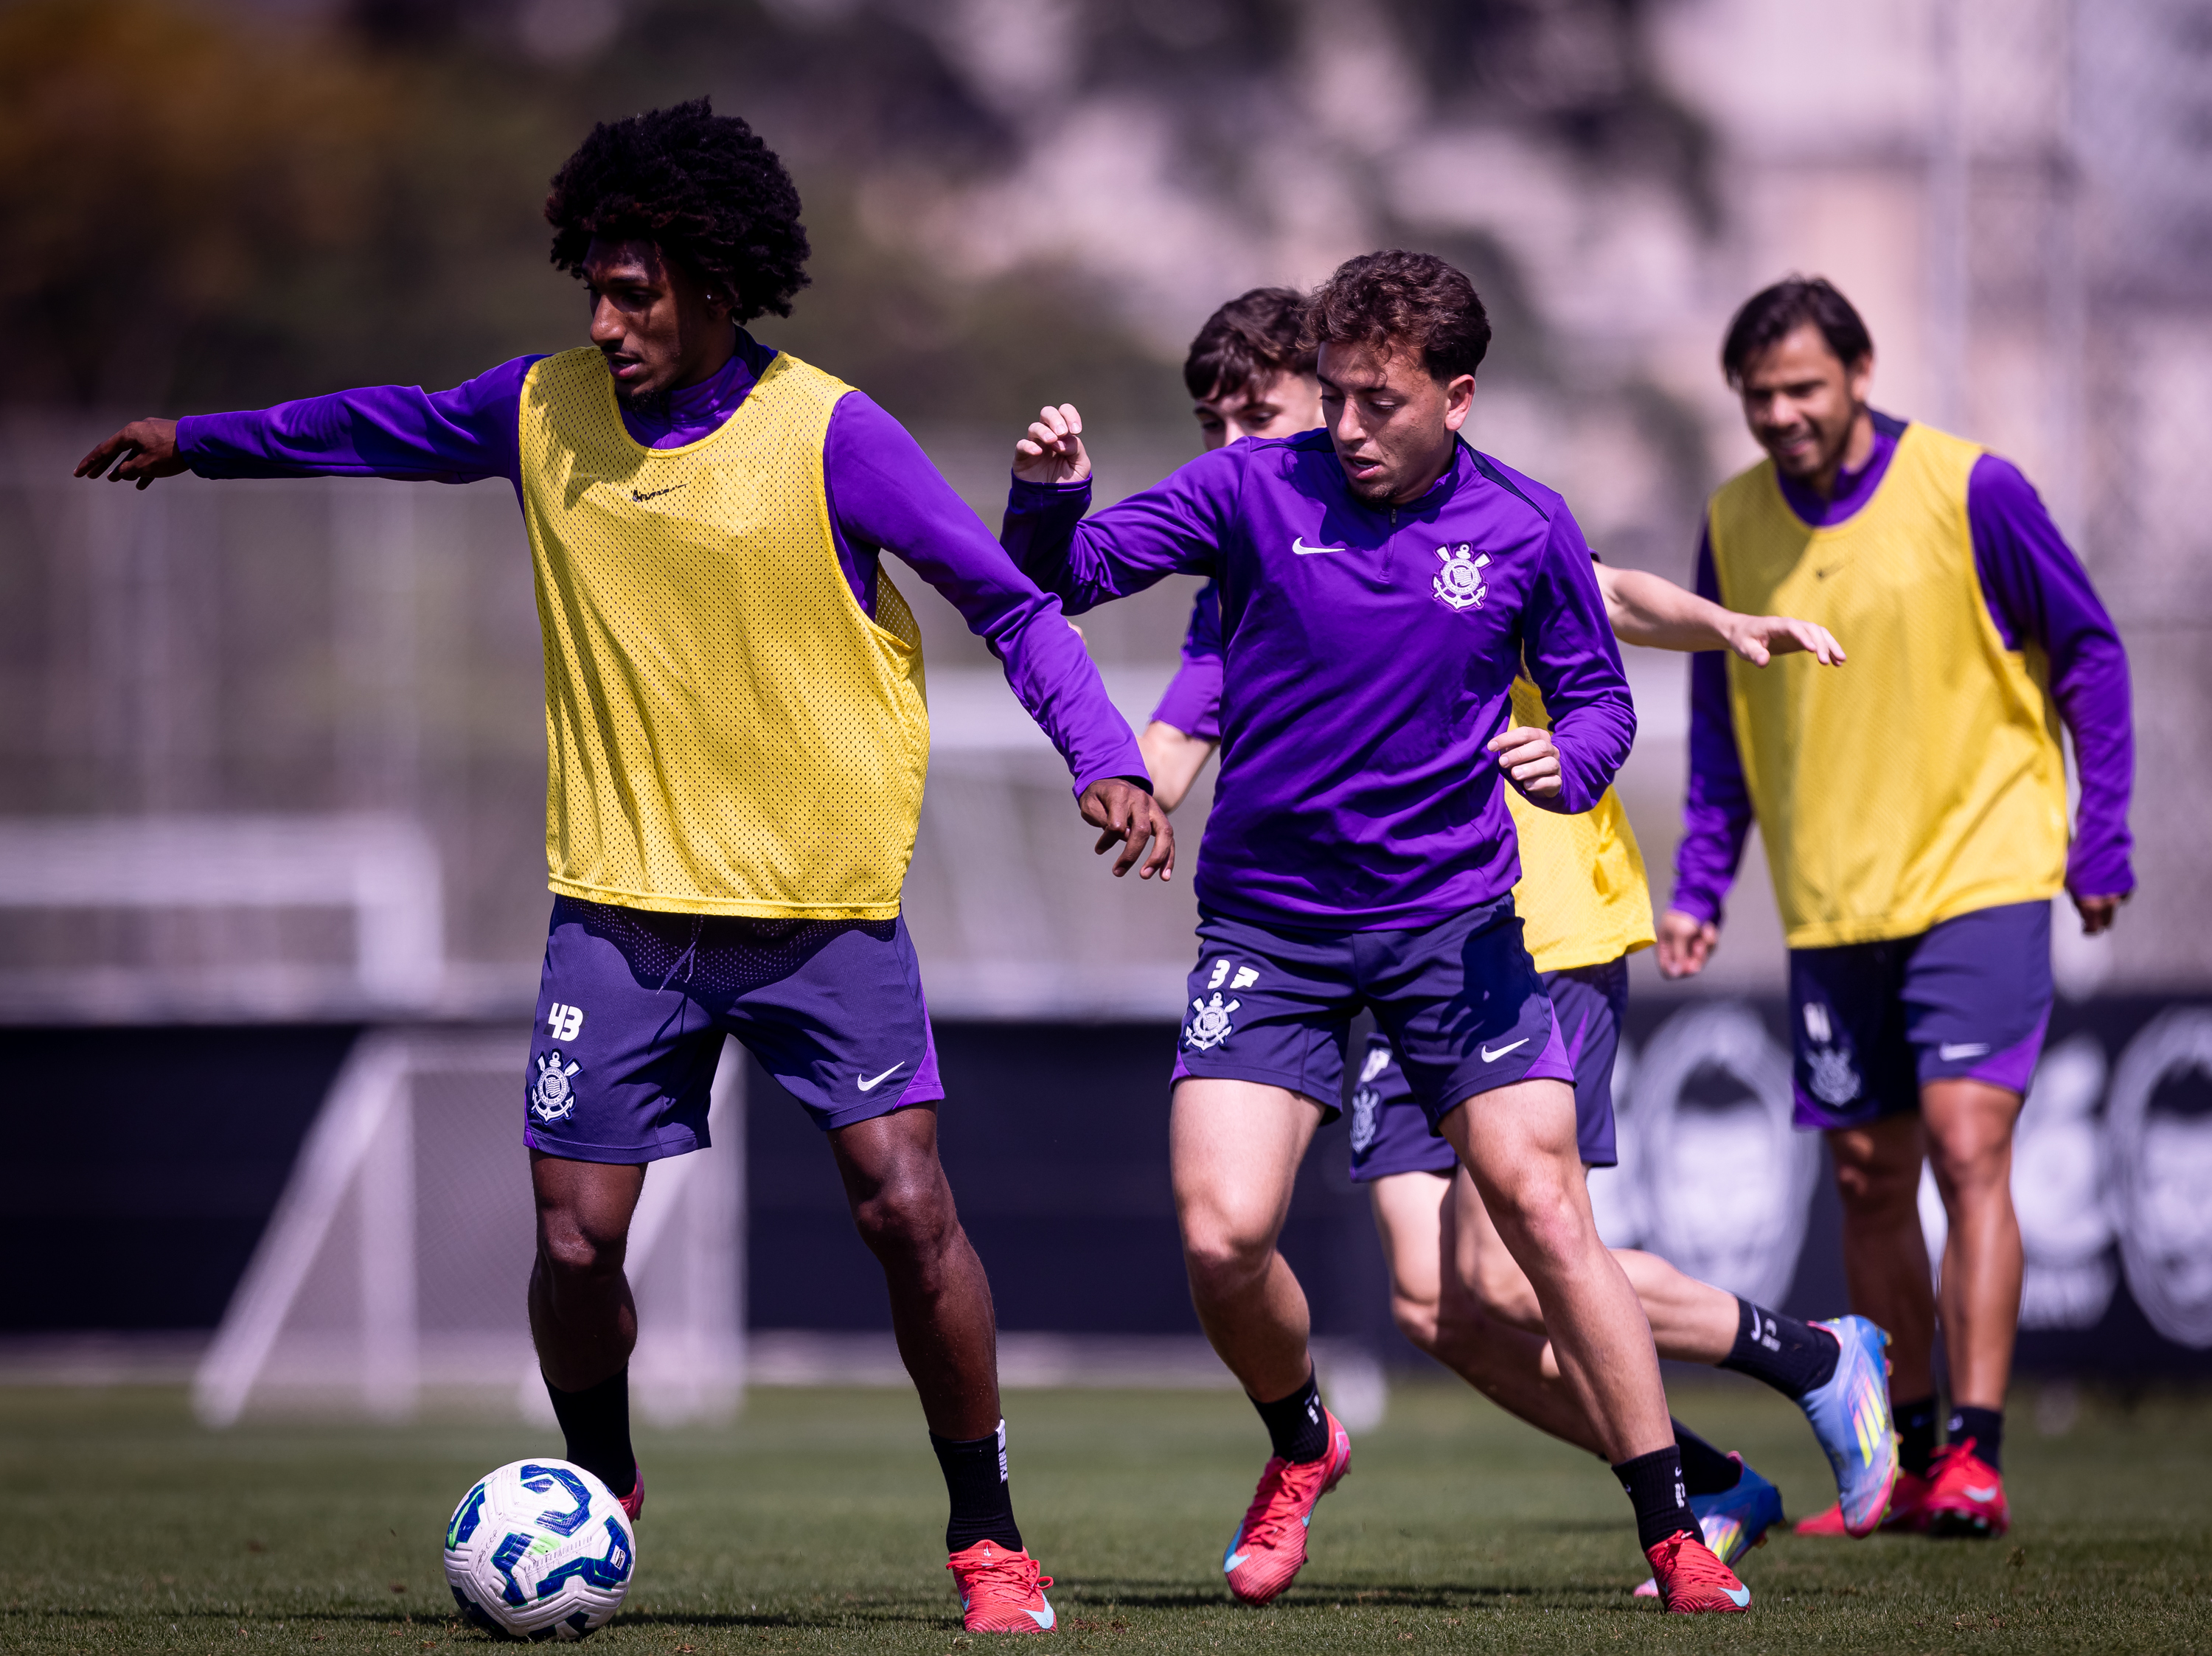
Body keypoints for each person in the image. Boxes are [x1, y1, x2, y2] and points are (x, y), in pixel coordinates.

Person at [74, 98, 1175, 1635]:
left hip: (818, 916)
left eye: (636, 289)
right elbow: (381, 423)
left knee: (905, 1211)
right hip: (619, 910)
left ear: (720, 281)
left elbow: (1013, 604)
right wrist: (203, 441)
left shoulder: (833, 433)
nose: (606, 318)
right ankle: (601, 1483)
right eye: (592, 287)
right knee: (575, 1234)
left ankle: (990, 1539)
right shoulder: (542, 410)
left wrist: (1105, 752)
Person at [1005, 249, 1752, 1614]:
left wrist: (1569, 761)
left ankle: (1674, 1529)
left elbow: (1600, 700)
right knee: (1224, 1237)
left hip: (1450, 927)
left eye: (1378, 403)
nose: (1343, 427)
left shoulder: (1527, 527)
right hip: (1271, 929)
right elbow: (1076, 572)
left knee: (1542, 1209)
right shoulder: (1250, 483)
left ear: (1457, 398)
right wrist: (1047, 502)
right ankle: (1303, 1441)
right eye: (1333, 396)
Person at [1142, 289, 1897, 1591]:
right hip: (1345, 944)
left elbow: (1606, 603)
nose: (1233, 444)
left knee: (1515, 1255)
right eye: (1215, 422)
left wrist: (1724, 625)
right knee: (1442, 1306)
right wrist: (1126, 781)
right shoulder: (1264, 539)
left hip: (1527, 923)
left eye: (1250, 416)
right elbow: (1184, 721)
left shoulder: (1475, 517)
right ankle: (1712, 1478)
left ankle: (1809, 1362)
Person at [1658, 276, 2135, 1540]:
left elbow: (2089, 649)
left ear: (1861, 374)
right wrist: (1701, 883)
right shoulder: (1732, 520)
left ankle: (1974, 1453)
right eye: (1758, 395)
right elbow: (1721, 725)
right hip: (1831, 900)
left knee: (1969, 1148)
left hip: (1983, 873)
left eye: (1803, 387)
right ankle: (1908, 1459)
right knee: (1869, 1180)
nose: (1781, 413)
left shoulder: (1975, 488)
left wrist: (2103, 830)